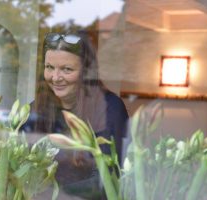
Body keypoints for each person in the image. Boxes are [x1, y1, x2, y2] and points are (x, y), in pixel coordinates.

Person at [21, 31, 129, 199]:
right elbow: (15, 155)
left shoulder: (109, 109)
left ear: (86, 71)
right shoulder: (36, 108)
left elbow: (109, 176)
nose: (56, 78)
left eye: (67, 69)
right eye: (50, 67)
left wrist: (52, 193)